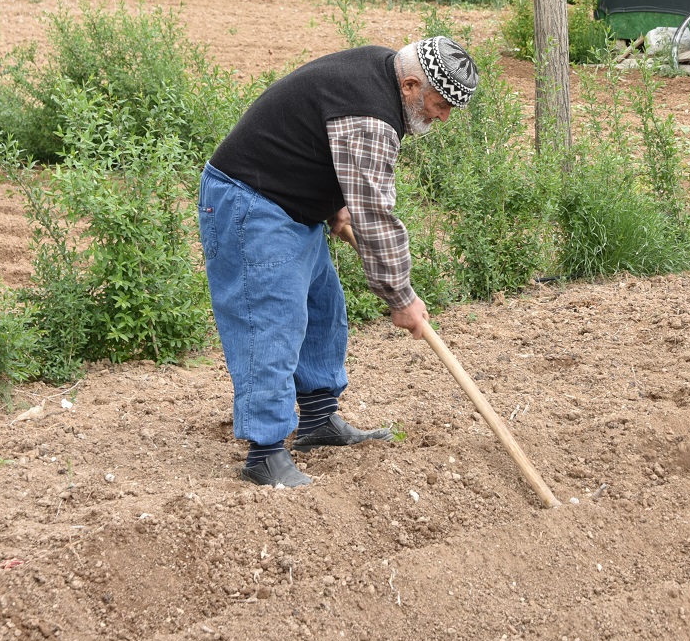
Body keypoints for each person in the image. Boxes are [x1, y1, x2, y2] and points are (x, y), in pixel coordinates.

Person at [198, 36, 479, 487]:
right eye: (440, 104)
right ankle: (265, 455)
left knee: (323, 311)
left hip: (291, 205)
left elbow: (320, 137)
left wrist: (337, 205)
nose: (443, 116)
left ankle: (317, 420)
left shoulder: (380, 69)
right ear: (410, 85)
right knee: (271, 324)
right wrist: (400, 296)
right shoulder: (371, 114)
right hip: (253, 203)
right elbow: (375, 216)